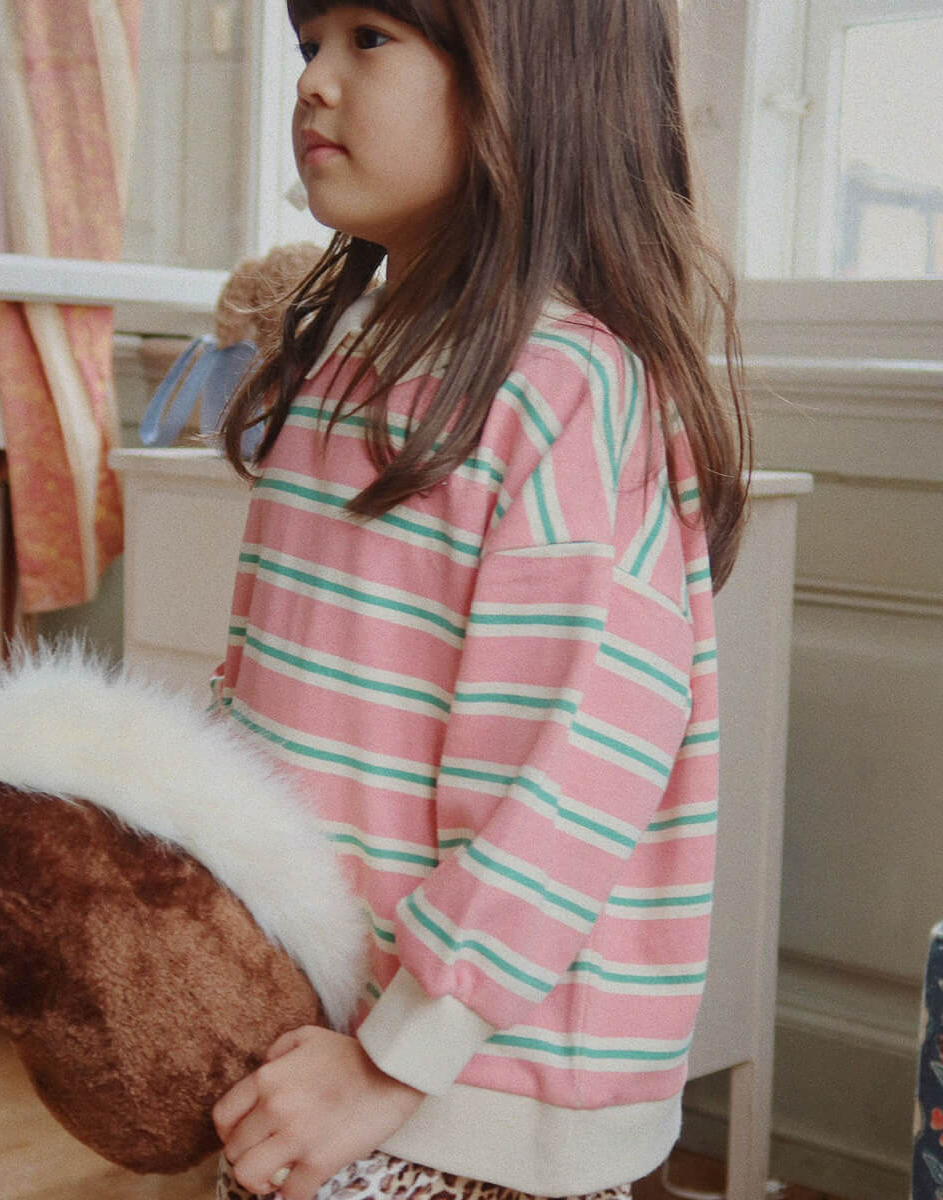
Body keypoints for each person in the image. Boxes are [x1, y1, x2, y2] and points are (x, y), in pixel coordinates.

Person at [210, 2, 751, 1199]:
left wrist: (396, 1056)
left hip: (462, 1097)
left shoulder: (566, 391)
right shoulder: (344, 365)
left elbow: (570, 779)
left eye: (370, 38)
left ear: (528, 77)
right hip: (320, 1044)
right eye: (308, 43)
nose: (314, 82)